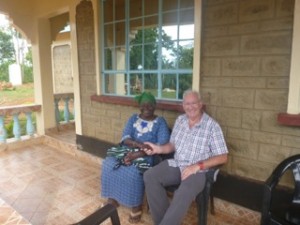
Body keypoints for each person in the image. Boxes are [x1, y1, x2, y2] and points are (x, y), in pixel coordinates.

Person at [143, 89, 228, 225]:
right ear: (183, 106)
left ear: (200, 104)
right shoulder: (180, 121)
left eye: (194, 103)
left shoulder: (212, 126)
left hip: (198, 171)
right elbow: (172, 145)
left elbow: (223, 157)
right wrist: (157, 148)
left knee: (183, 192)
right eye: (187, 104)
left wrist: (197, 166)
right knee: (149, 176)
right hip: (177, 164)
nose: (190, 107)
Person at [101, 92, 170, 223]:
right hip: (128, 150)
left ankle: (136, 205)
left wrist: (137, 154)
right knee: (108, 164)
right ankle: (113, 198)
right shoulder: (133, 118)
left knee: (133, 172)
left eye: (150, 105)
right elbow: (125, 137)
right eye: (144, 105)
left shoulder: (160, 122)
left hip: (149, 156)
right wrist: (135, 145)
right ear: (139, 107)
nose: (147, 108)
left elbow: (161, 143)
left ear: (155, 106)